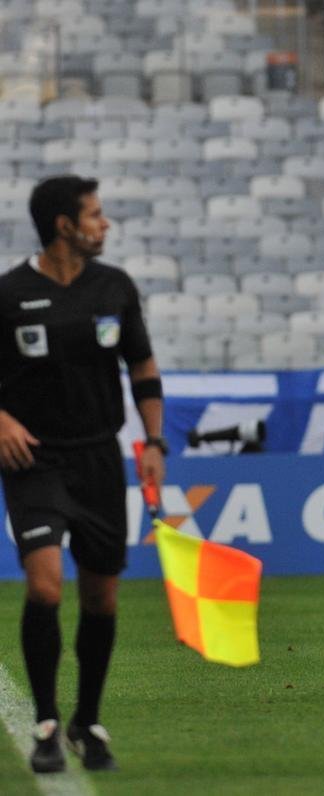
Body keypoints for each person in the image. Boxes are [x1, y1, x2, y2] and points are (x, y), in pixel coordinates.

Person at [1, 175, 166, 772]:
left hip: (99, 458)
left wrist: (153, 441)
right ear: (64, 226)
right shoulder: (10, 293)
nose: (105, 223)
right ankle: (46, 723)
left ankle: (86, 722)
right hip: (34, 461)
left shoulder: (114, 287)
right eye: (95, 215)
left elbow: (142, 366)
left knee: (101, 597)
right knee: (45, 586)